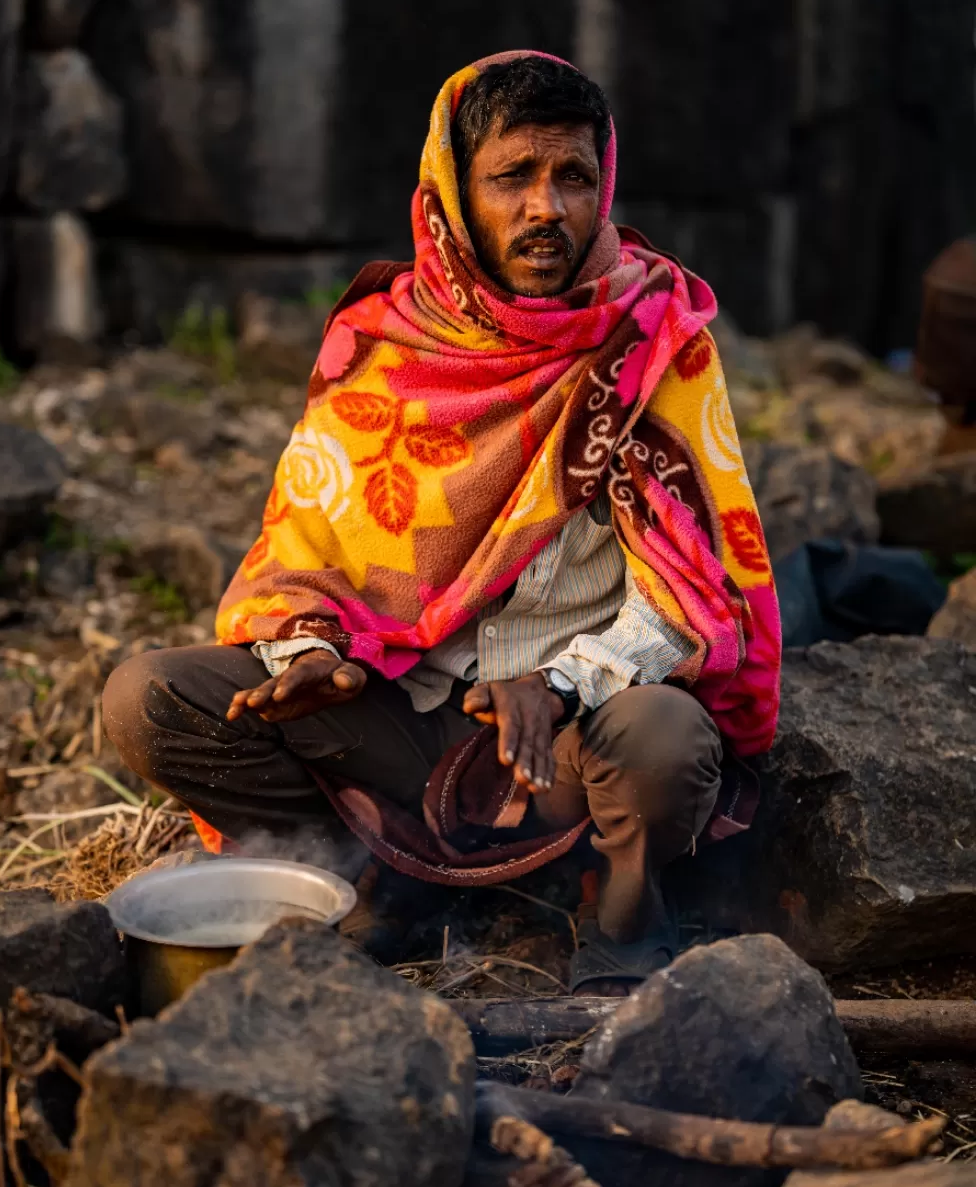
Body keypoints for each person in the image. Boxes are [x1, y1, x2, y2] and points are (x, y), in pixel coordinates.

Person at [103, 52, 781, 993]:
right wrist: (311, 655)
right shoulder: (380, 344)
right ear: (456, 191)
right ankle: (370, 883)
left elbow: (690, 593)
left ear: (604, 184)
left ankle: (619, 917)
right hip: (397, 725)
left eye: (572, 177)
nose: (547, 208)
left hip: (567, 755)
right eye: (513, 177)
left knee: (666, 742)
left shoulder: (652, 338)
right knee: (149, 699)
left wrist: (561, 682)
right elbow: (304, 553)